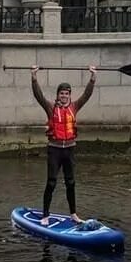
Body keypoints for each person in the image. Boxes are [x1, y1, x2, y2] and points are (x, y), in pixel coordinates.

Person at [30, 64, 96, 224]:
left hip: (70, 150)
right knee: (51, 182)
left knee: (71, 183)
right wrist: (34, 78)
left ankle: (73, 214)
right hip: (55, 150)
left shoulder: (74, 106)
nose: (64, 96)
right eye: (62, 93)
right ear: (58, 95)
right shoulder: (50, 107)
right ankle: (45, 215)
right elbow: (39, 96)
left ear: (69, 95)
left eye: (66, 94)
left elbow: (86, 95)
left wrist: (93, 78)